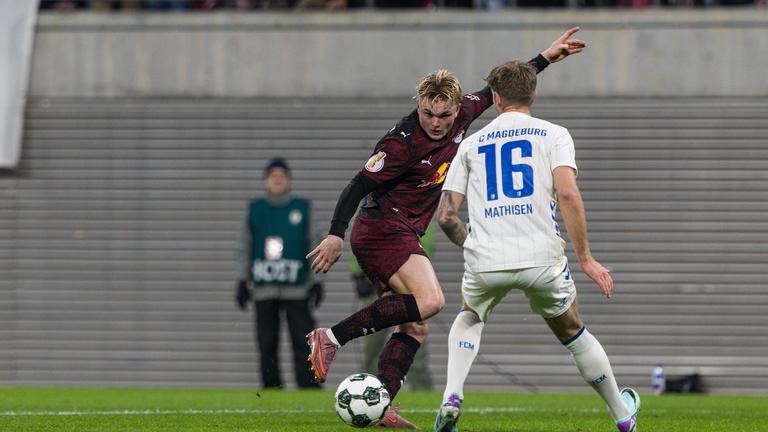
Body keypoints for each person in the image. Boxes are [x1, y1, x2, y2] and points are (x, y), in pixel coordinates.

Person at [304, 29, 586, 428]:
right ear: (417, 105)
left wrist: (545, 57)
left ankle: (380, 401)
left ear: (457, 108)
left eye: (444, 115)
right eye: (427, 114)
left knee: (415, 329)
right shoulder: (398, 144)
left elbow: (500, 88)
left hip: (403, 231)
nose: (436, 123)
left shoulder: (468, 109)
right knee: (431, 301)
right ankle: (330, 337)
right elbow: (357, 185)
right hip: (381, 228)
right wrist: (335, 233)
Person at [433, 60, 640, 432]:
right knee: (572, 330)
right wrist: (587, 260)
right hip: (542, 258)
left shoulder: (471, 144)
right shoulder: (554, 135)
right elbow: (567, 193)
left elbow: (446, 216)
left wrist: (473, 247)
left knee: (469, 316)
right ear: (534, 93)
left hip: (485, 259)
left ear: (495, 97)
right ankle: (623, 417)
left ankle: (452, 394)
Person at [236, 158, 323, 389]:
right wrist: (242, 281)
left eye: (281, 176)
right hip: (264, 288)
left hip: (297, 288)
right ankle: (271, 387)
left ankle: (308, 387)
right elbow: (244, 246)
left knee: (303, 341)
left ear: (289, 180)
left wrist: (318, 280)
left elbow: (315, 243)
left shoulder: (303, 208)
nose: (277, 179)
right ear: (265, 181)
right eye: (272, 176)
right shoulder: (255, 209)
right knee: (267, 342)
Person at [348, 221, 436, 391]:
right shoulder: (372, 199)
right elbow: (358, 236)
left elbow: (427, 239)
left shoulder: (419, 201)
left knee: (415, 346)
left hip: (410, 284)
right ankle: (365, 393)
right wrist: (358, 273)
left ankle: (423, 395)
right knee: (372, 348)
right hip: (377, 285)